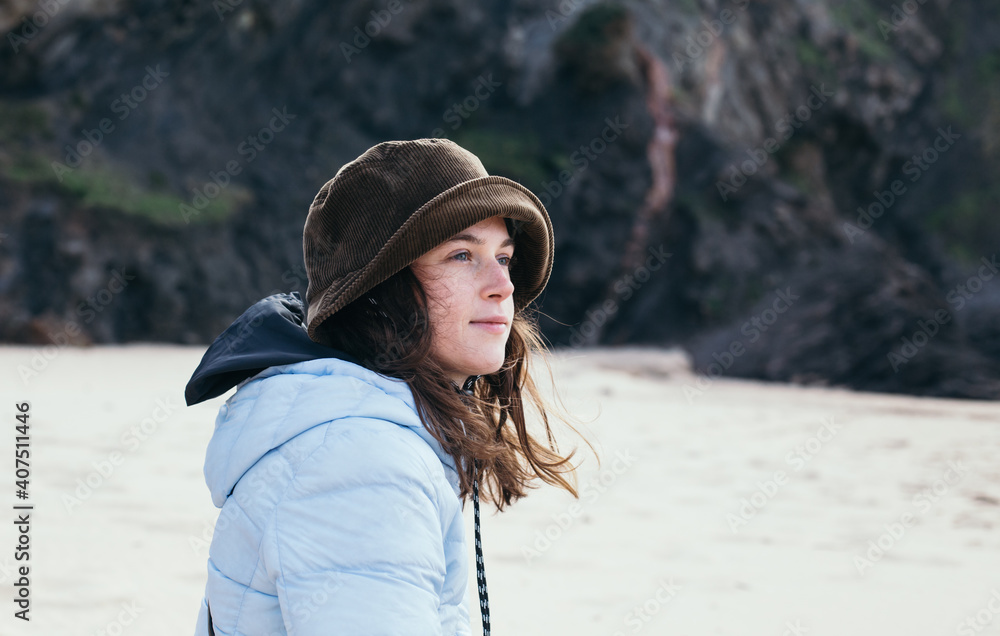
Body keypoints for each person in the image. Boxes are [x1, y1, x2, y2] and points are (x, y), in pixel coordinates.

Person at [185, 138, 594, 635]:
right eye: (462, 255)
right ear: (380, 291)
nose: (502, 285)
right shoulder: (361, 461)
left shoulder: (363, 434)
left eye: (504, 258)